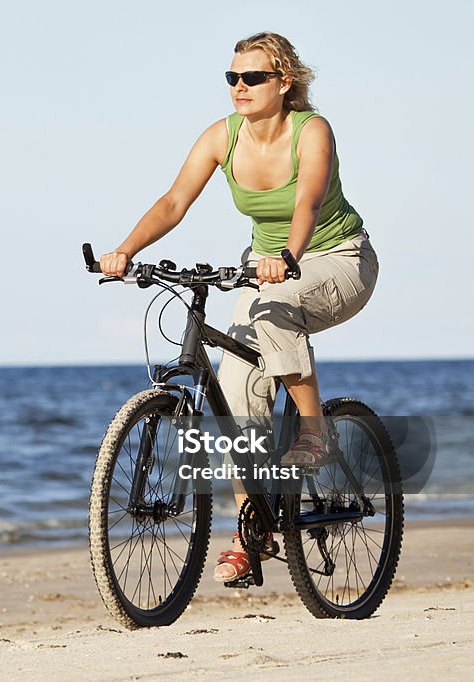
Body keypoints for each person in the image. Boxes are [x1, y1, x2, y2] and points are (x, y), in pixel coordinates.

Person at [98, 32, 379, 583]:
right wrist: (126, 251)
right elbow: (174, 201)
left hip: (338, 259)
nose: (240, 88)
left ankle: (314, 433)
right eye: (232, 78)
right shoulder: (220, 138)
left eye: (253, 78)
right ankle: (255, 530)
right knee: (236, 398)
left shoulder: (311, 130)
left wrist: (288, 256)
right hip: (263, 265)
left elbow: (309, 200)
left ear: (284, 82)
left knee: (275, 306)